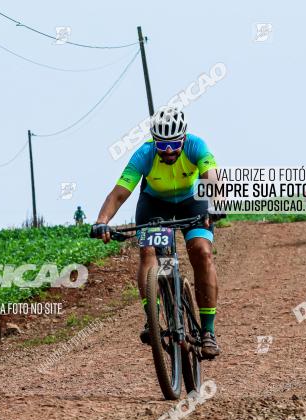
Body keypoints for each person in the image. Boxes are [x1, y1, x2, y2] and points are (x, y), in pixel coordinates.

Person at [90, 106, 222, 358]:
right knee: (148, 251)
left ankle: (208, 331)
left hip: (192, 201)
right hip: (154, 205)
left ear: (184, 138)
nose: (169, 151)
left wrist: (215, 206)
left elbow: (212, 179)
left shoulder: (197, 146)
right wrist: (102, 221)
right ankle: (152, 318)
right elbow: (119, 193)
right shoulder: (144, 154)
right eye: (163, 146)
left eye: (174, 144)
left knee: (202, 252)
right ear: (155, 141)